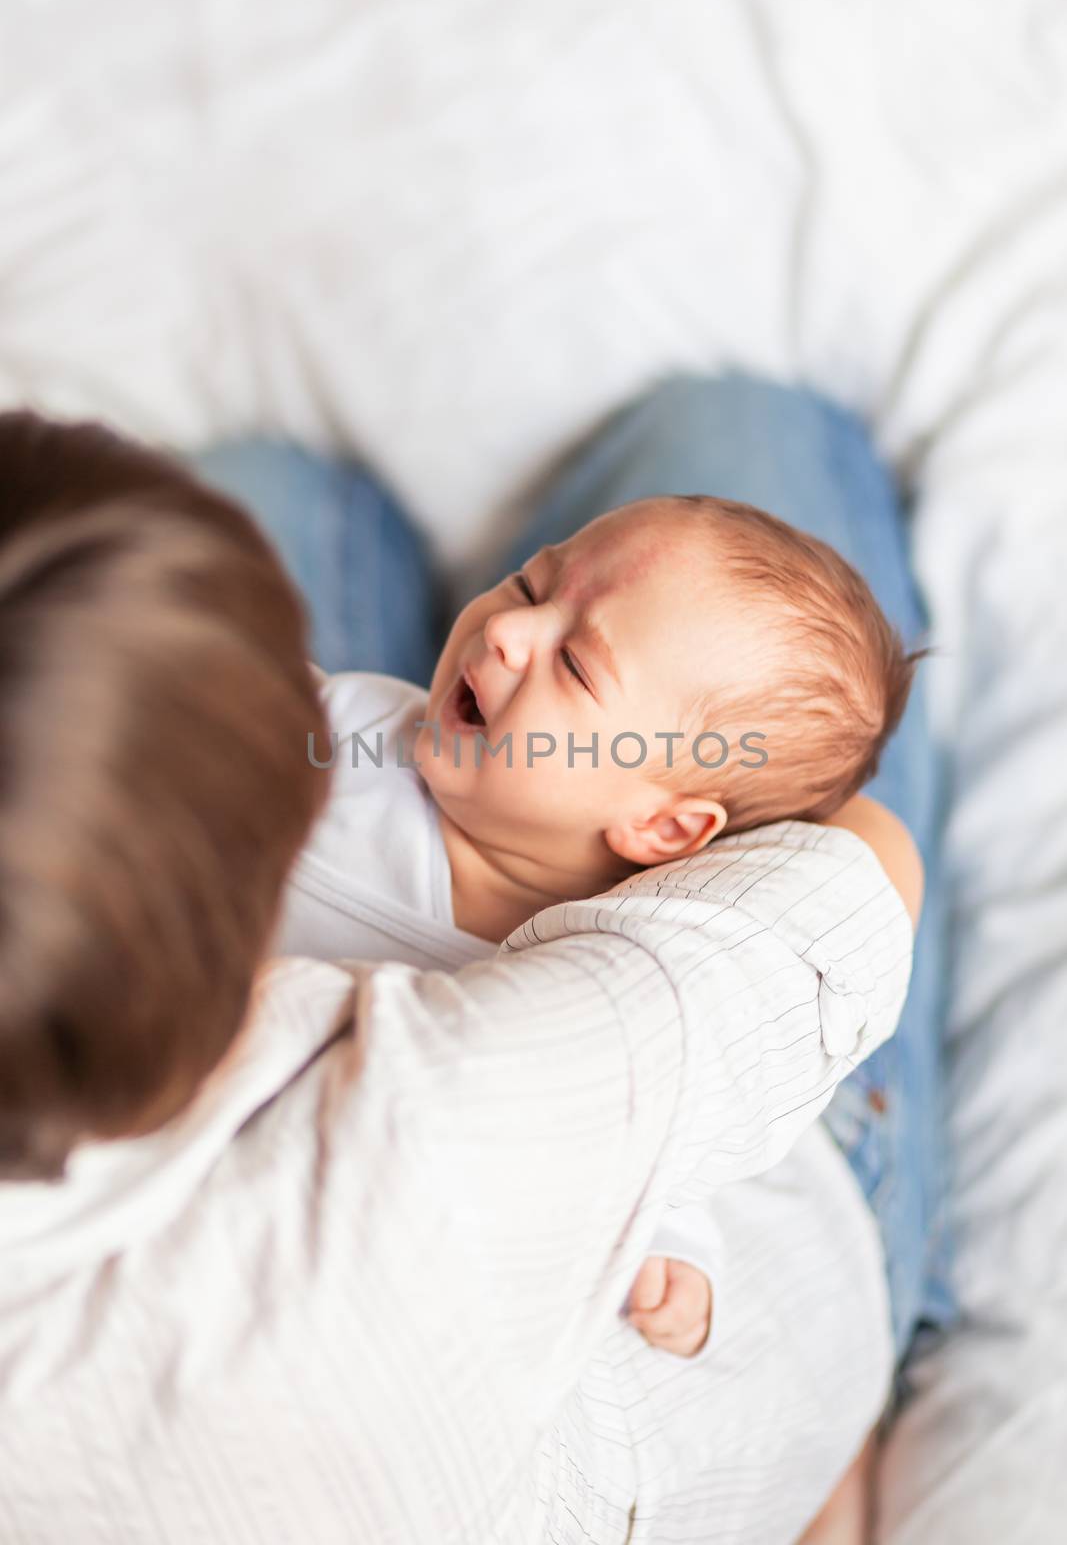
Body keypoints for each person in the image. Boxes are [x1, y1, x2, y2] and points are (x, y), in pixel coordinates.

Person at [0, 395, 918, 1543]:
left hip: (667, 1096)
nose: (502, 631)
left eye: (572, 662)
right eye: (528, 585)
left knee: (271, 467)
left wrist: (672, 1263)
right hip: (623, 1154)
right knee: (764, 432)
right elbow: (859, 864)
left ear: (668, 832)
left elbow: (666, 1179)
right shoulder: (474, 1076)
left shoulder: (614, 925)